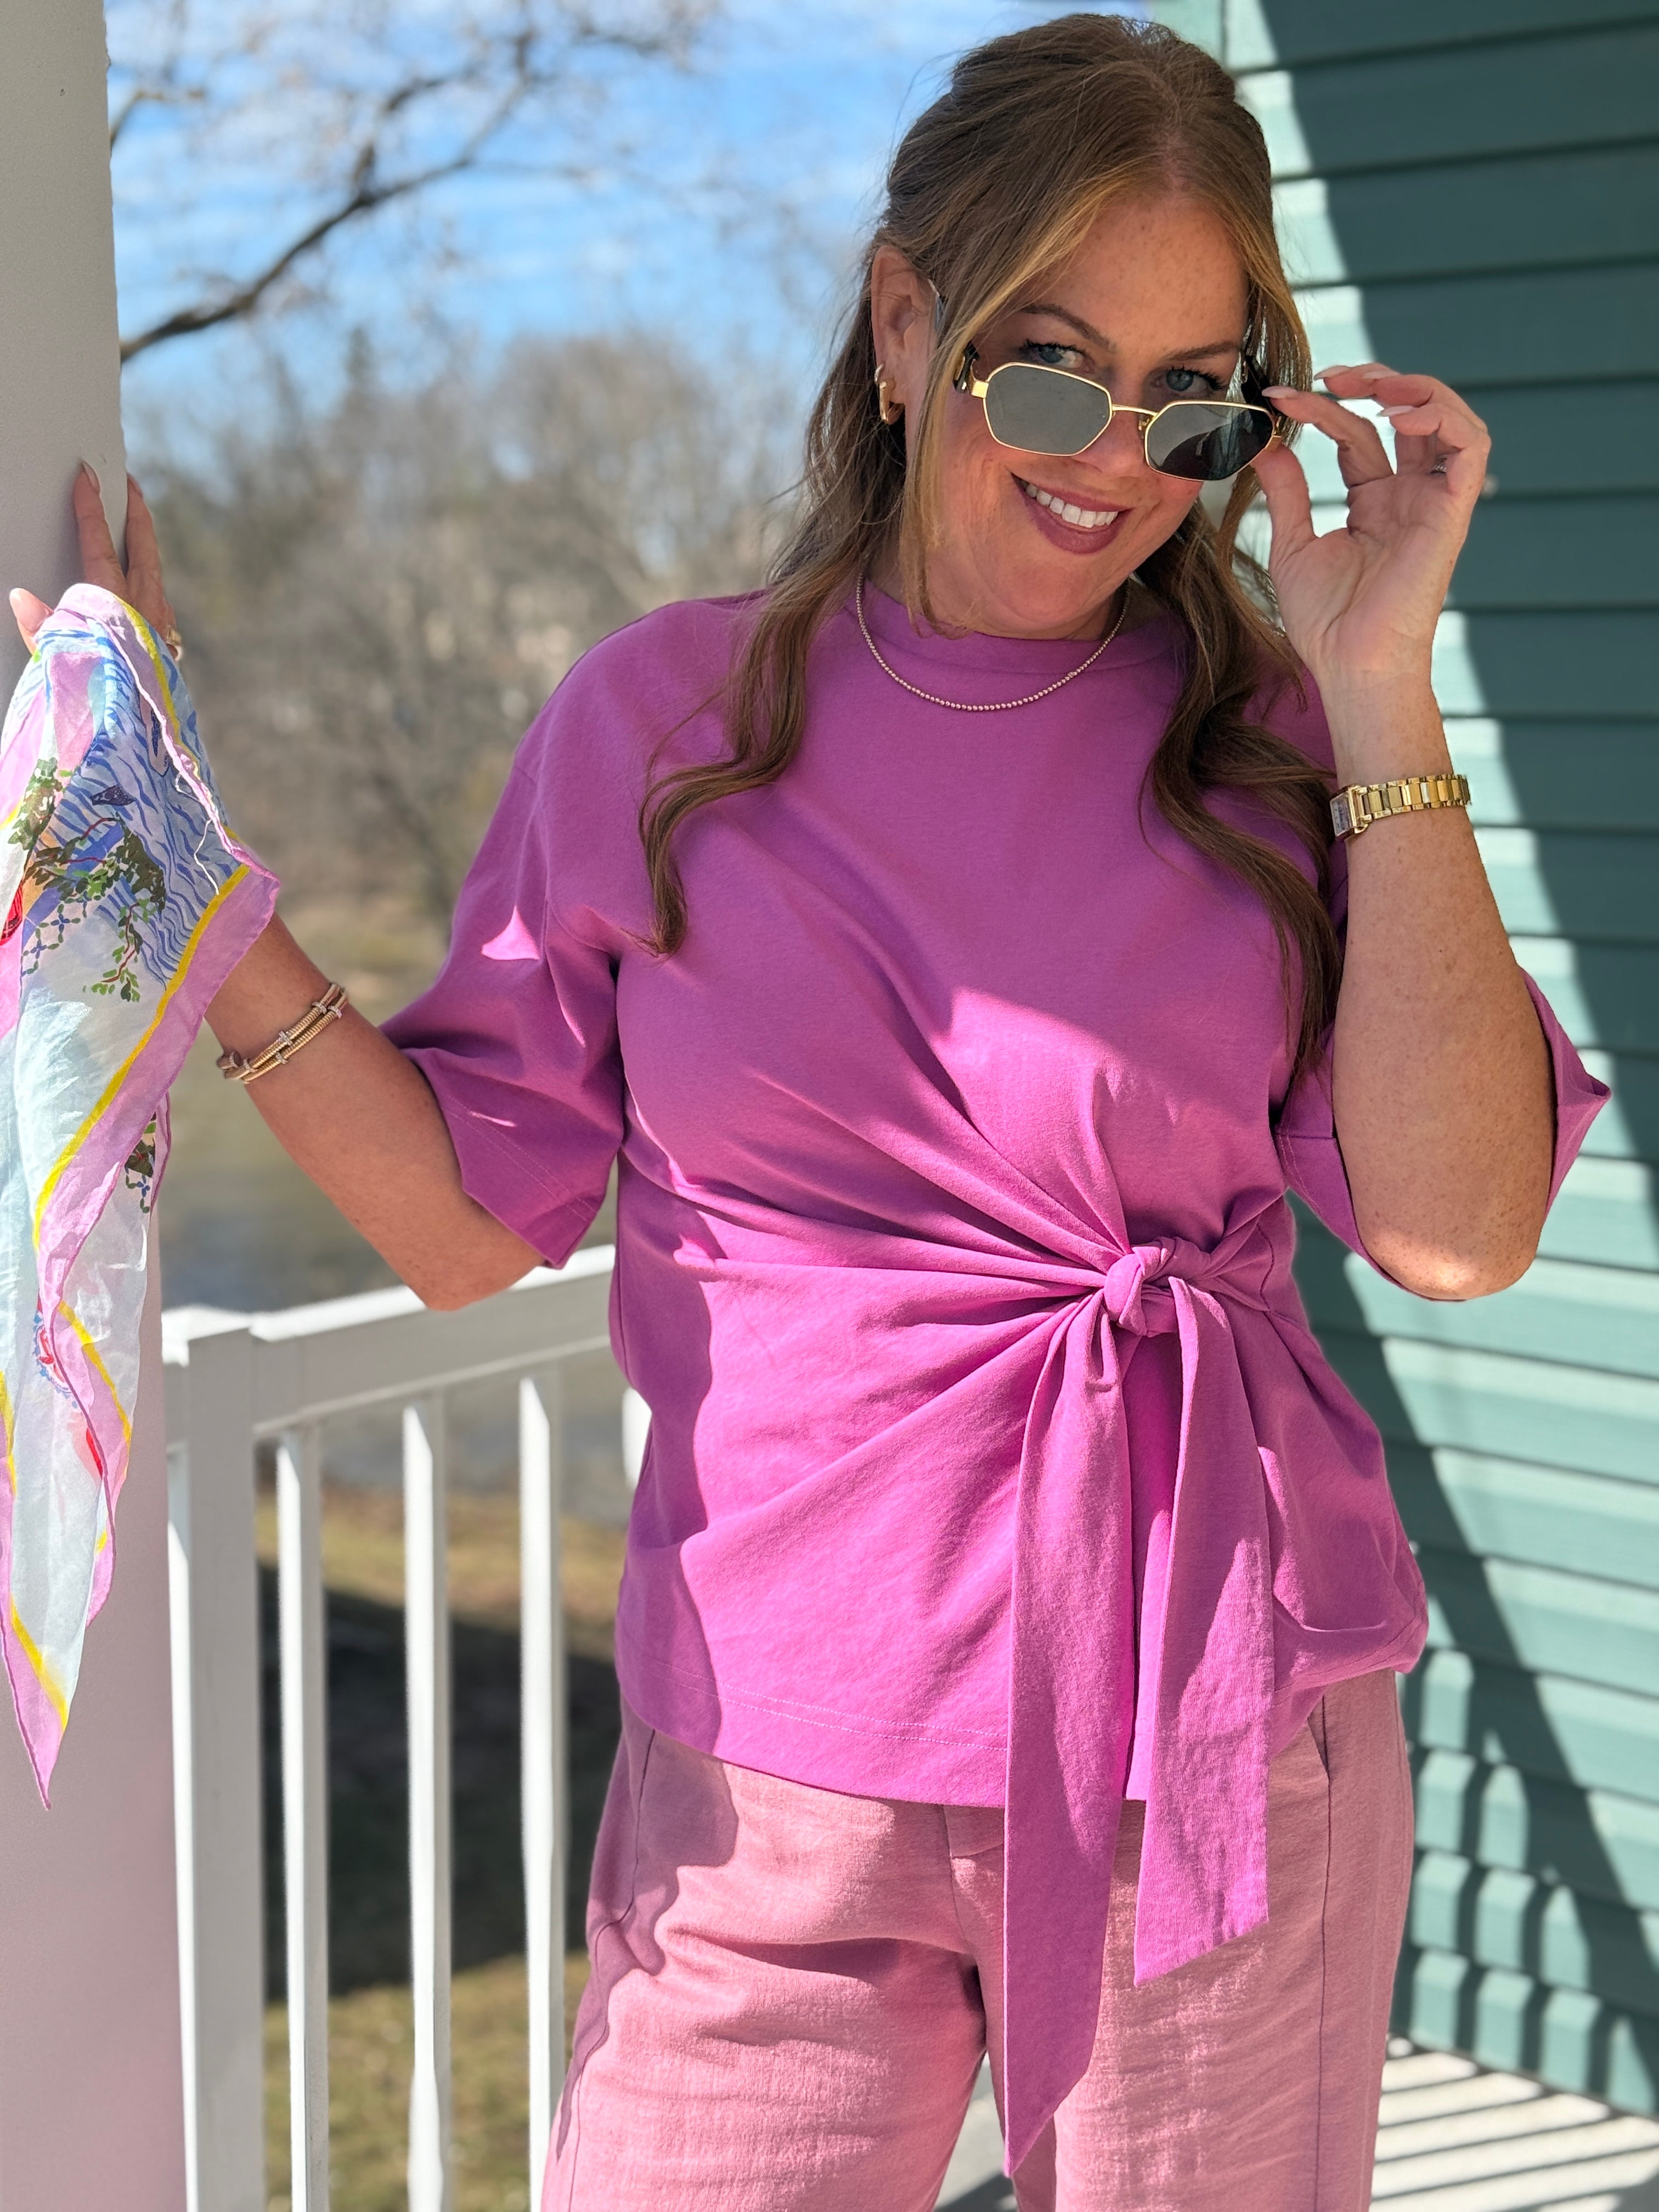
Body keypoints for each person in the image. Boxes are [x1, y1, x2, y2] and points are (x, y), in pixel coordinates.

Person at [10, 15, 1608, 2210]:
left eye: (1193, 403)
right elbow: (467, 1228)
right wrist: (194, 890)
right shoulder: (659, 725)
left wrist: (1381, 684)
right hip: (769, 1775)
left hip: (1214, 1733)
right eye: (1050, 370)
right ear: (903, 322)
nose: (1115, 461)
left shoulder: (1276, 739)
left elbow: (1459, 1229)